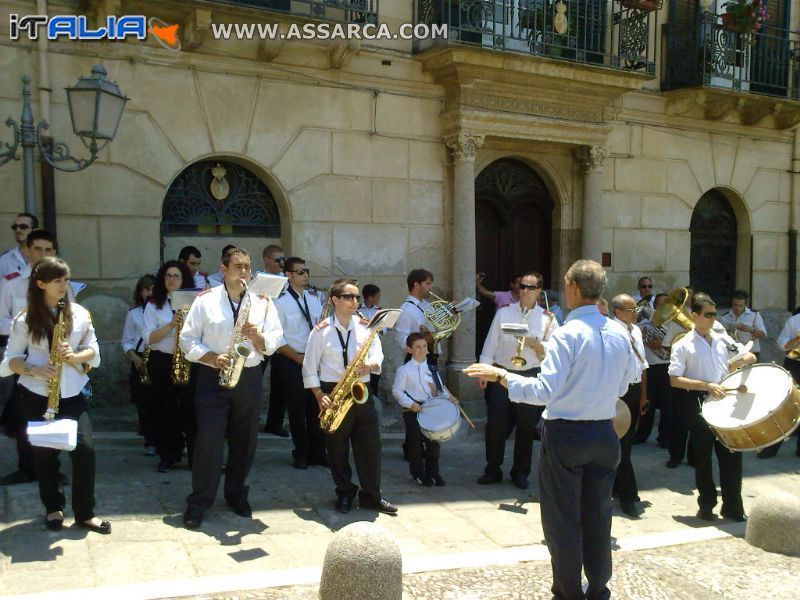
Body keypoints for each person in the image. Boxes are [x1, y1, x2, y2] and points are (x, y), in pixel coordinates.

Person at [464, 260, 637, 600]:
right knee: (599, 515)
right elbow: (623, 385)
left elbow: (543, 391)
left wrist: (501, 376)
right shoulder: (619, 331)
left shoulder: (566, 333)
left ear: (573, 288)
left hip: (568, 434)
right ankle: (598, 588)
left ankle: (568, 592)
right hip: (605, 433)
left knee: (563, 519)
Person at [0, 257, 110, 534]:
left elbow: (94, 351)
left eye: (66, 279)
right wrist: (34, 370)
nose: (64, 285)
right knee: (44, 455)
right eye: (57, 280)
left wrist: (75, 356)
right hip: (36, 394)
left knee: (85, 450)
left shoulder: (80, 313)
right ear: (41, 284)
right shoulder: (24, 319)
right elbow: (10, 360)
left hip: (71, 392)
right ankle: (53, 508)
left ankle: (85, 512)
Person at [180, 248, 283, 528]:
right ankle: (199, 501)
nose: (244, 272)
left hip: (248, 375)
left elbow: (276, 338)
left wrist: (258, 336)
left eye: (247, 267)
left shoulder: (262, 302)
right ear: (223, 270)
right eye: (238, 267)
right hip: (213, 376)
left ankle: (237, 494)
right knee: (208, 441)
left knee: (245, 440)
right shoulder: (206, 301)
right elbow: (187, 340)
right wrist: (212, 358)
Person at [303, 278, 397, 515]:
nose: (355, 302)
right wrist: (319, 394)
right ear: (335, 299)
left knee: (370, 446)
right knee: (336, 448)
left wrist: (371, 365)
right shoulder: (321, 330)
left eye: (356, 297)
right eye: (349, 297)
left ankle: (372, 495)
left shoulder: (367, 327)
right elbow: (309, 367)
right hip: (333, 390)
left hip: (361, 390)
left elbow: (378, 355)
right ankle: (344, 491)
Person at [668, 292, 755, 522]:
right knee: (703, 459)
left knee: (732, 456)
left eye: (715, 314)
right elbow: (675, 379)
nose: (712, 318)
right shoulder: (683, 344)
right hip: (699, 404)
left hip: (725, 402)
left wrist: (743, 358)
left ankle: (733, 507)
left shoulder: (722, 339)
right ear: (695, 315)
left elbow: (749, 357)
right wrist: (706, 385)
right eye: (708, 315)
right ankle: (706, 506)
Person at [477, 270, 558, 490]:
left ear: (539, 291)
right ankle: (492, 468)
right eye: (522, 286)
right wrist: (485, 370)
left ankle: (521, 471)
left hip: (530, 373)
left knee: (525, 427)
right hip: (502, 372)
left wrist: (535, 344)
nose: (524, 291)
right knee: (495, 424)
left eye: (530, 287)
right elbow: (491, 342)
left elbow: (553, 354)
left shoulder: (547, 320)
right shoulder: (504, 313)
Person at [0, 229, 58, 485]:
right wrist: (25, 326)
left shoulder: (62, 286)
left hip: (52, 356)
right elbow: (1, 319)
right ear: (27, 251)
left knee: (53, 411)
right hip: (22, 355)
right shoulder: (12, 284)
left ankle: (52, 469)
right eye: (38, 249)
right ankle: (27, 467)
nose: (43, 255)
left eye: (48, 250)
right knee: (21, 412)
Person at [142, 260, 197, 473]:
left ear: (184, 280)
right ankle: (169, 455)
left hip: (188, 359)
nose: (172, 279)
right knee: (165, 410)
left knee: (192, 409)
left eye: (176, 276)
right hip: (162, 360)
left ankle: (196, 457)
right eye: (168, 276)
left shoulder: (195, 303)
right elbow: (149, 338)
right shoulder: (154, 304)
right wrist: (171, 325)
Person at [273, 257, 326, 469]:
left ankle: (318, 452)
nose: (306, 275)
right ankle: (301, 453)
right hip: (291, 359)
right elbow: (276, 339)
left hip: (313, 358)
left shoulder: (314, 299)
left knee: (317, 408)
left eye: (306, 271)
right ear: (288, 275)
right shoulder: (280, 301)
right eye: (300, 271)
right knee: (297, 409)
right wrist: (298, 358)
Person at [392, 333, 452, 487]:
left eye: (424, 346)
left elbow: (440, 390)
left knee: (433, 444)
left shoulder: (432, 369)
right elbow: (397, 391)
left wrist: (446, 396)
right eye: (418, 347)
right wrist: (411, 404)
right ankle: (418, 473)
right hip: (413, 410)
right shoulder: (404, 370)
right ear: (410, 349)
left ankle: (434, 472)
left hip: (430, 408)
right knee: (415, 444)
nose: (422, 349)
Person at [610, 294, 649, 518]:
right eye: (630, 309)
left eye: (635, 309)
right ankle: (628, 495)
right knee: (620, 446)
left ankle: (617, 486)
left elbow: (642, 366)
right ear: (617, 311)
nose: (635, 313)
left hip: (634, 391)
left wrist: (643, 396)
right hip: (617, 393)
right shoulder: (611, 331)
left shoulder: (635, 330)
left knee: (627, 444)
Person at [121, 274, 158, 456]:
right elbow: (126, 340)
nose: (150, 293)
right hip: (140, 358)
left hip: (158, 357)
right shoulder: (134, 313)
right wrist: (135, 358)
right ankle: (149, 440)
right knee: (144, 403)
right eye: (146, 289)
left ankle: (164, 439)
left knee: (161, 400)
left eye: (153, 289)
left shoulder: (162, 311)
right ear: (141, 292)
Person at [760, 309, 800, 458]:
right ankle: (771, 447)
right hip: (795, 364)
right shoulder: (795, 320)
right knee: (785, 407)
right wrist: (792, 342)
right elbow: (781, 343)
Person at [634, 293, 672, 447]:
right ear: (654, 306)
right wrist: (639, 337)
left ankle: (665, 437)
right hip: (649, 368)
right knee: (646, 401)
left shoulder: (675, 325)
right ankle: (642, 434)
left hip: (668, 368)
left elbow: (683, 347)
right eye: (659, 305)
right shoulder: (643, 324)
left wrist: (662, 346)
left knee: (668, 405)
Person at [719, 290, 766, 361]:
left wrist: (751, 330)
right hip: (732, 353)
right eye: (735, 305)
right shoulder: (725, 317)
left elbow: (763, 335)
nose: (737, 308)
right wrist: (731, 327)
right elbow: (720, 336)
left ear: (745, 304)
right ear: (731, 303)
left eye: (740, 305)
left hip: (752, 353)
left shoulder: (754, 315)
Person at [0, 213, 37, 278]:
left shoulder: (45, 257)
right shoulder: (5, 259)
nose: (18, 230)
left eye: (23, 227)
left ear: (34, 230)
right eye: (15, 227)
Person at [360, 284, 382, 395]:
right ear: (369, 297)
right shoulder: (358, 310)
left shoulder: (380, 311)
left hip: (374, 347)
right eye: (377, 296)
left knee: (374, 379)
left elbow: (384, 329)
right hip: (361, 348)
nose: (379, 299)